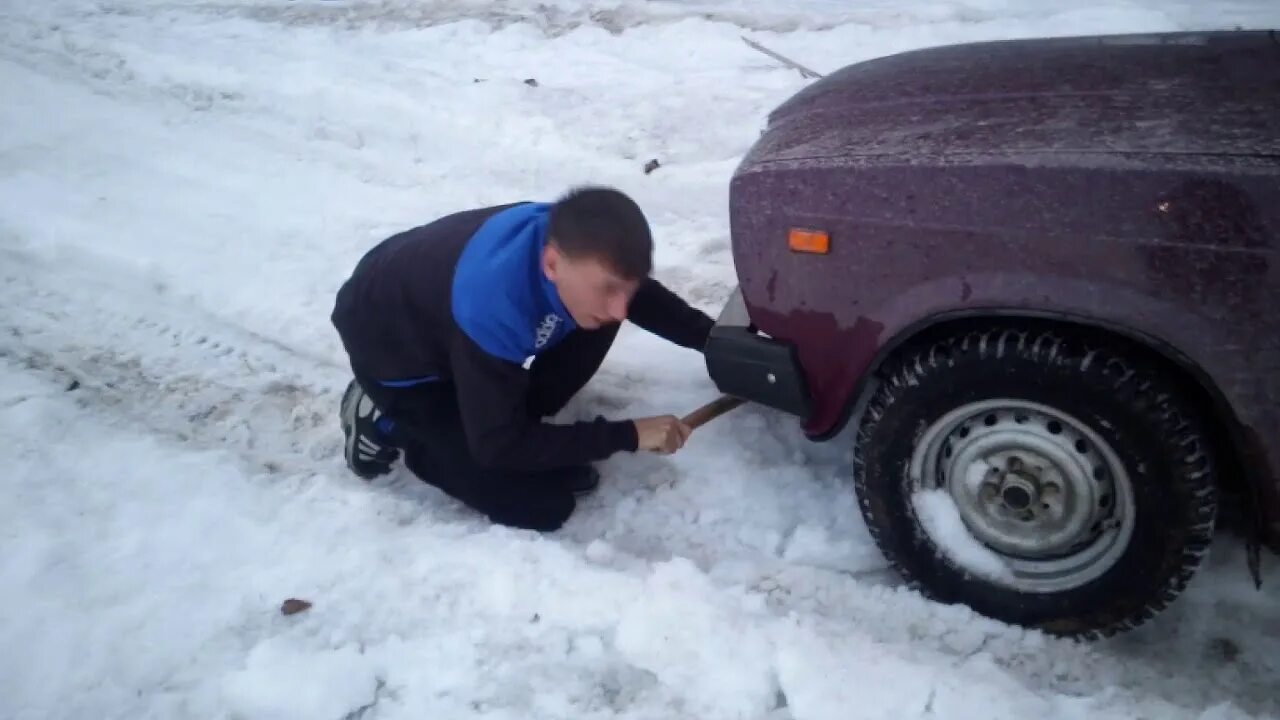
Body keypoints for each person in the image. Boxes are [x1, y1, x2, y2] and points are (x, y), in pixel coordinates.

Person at [330, 186, 715, 531]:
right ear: (550, 263)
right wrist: (629, 435)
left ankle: (487, 411)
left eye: (625, 290)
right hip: (394, 353)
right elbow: (498, 444)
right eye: (609, 290)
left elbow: (638, 295)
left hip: (444, 317)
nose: (620, 310)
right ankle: (394, 422)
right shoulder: (493, 305)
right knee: (541, 504)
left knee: (598, 317)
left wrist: (719, 344)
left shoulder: (576, 245)